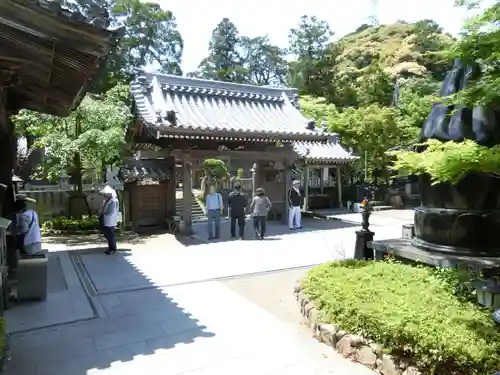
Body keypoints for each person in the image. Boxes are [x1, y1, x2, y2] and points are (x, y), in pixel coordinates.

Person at [98, 185, 119, 255]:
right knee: (108, 234)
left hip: (110, 220)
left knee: (110, 235)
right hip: (107, 219)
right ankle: (110, 247)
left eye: (106, 193)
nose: (105, 195)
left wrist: (102, 212)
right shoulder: (107, 200)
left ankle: (112, 248)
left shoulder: (112, 201)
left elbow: (110, 211)